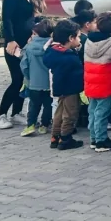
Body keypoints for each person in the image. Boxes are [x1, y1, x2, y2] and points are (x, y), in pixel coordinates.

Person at [0, 0, 46, 129]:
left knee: (25, 81)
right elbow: (7, 21)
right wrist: (10, 40)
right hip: (14, 45)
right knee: (17, 80)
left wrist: (36, 32)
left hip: (29, 44)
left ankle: (16, 113)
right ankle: (0, 116)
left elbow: (32, 19)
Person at [84, 12, 111, 152]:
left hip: (90, 80)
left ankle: (94, 139)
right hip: (106, 81)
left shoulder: (88, 40)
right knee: (102, 112)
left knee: (93, 111)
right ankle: (101, 141)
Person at [43, 20, 85, 150]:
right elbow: (78, 69)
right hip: (71, 88)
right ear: (70, 38)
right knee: (70, 113)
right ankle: (66, 138)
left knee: (59, 112)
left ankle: (55, 137)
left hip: (59, 87)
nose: (79, 39)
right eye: (77, 36)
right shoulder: (68, 56)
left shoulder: (53, 51)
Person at [18, 19, 54, 137]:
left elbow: (24, 65)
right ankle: (44, 125)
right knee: (48, 105)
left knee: (34, 105)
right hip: (49, 83)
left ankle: (30, 125)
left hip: (34, 82)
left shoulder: (29, 47)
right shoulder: (52, 46)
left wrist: (29, 77)